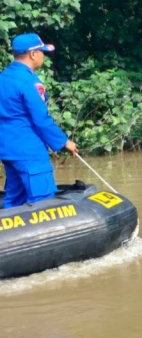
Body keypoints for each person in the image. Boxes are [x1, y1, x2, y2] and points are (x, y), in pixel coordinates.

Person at [0, 33, 78, 208]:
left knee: (14, 200)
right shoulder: (29, 82)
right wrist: (64, 142)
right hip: (29, 150)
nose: (43, 55)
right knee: (44, 202)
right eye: (42, 51)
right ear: (33, 54)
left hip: (7, 150)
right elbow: (41, 119)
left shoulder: (3, 78)